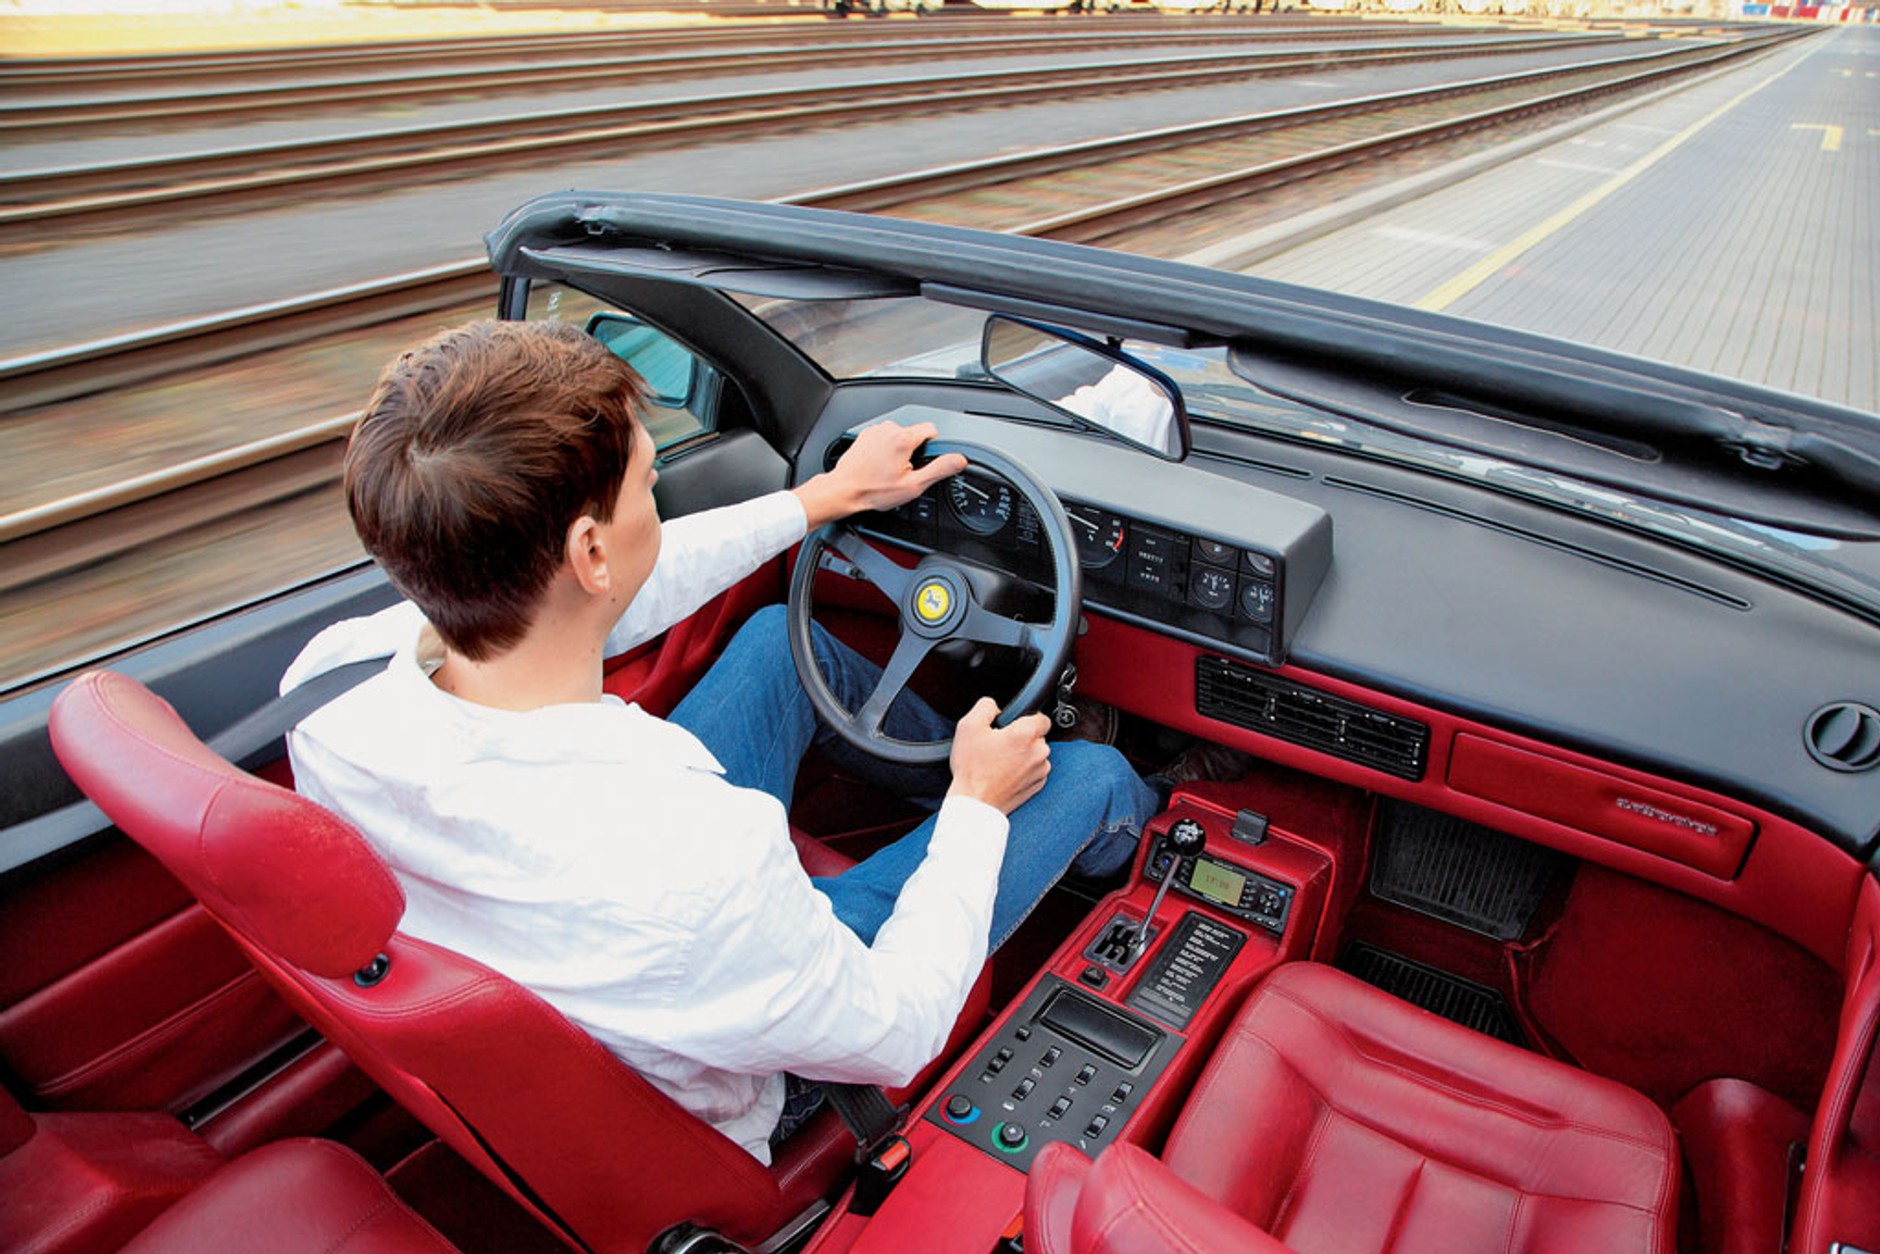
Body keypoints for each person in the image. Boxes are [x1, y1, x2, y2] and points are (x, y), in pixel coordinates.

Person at [282, 319, 1161, 1164]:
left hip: (605, 951)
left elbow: (610, 594)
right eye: (646, 483)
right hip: (748, 1058)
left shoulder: (331, 685)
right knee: (1085, 771)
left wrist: (825, 500)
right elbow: (899, 1026)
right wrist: (976, 804)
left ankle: (956, 771)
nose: (654, 502)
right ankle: (1148, 807)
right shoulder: (701, 862)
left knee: (784, 640)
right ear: (591, 549)